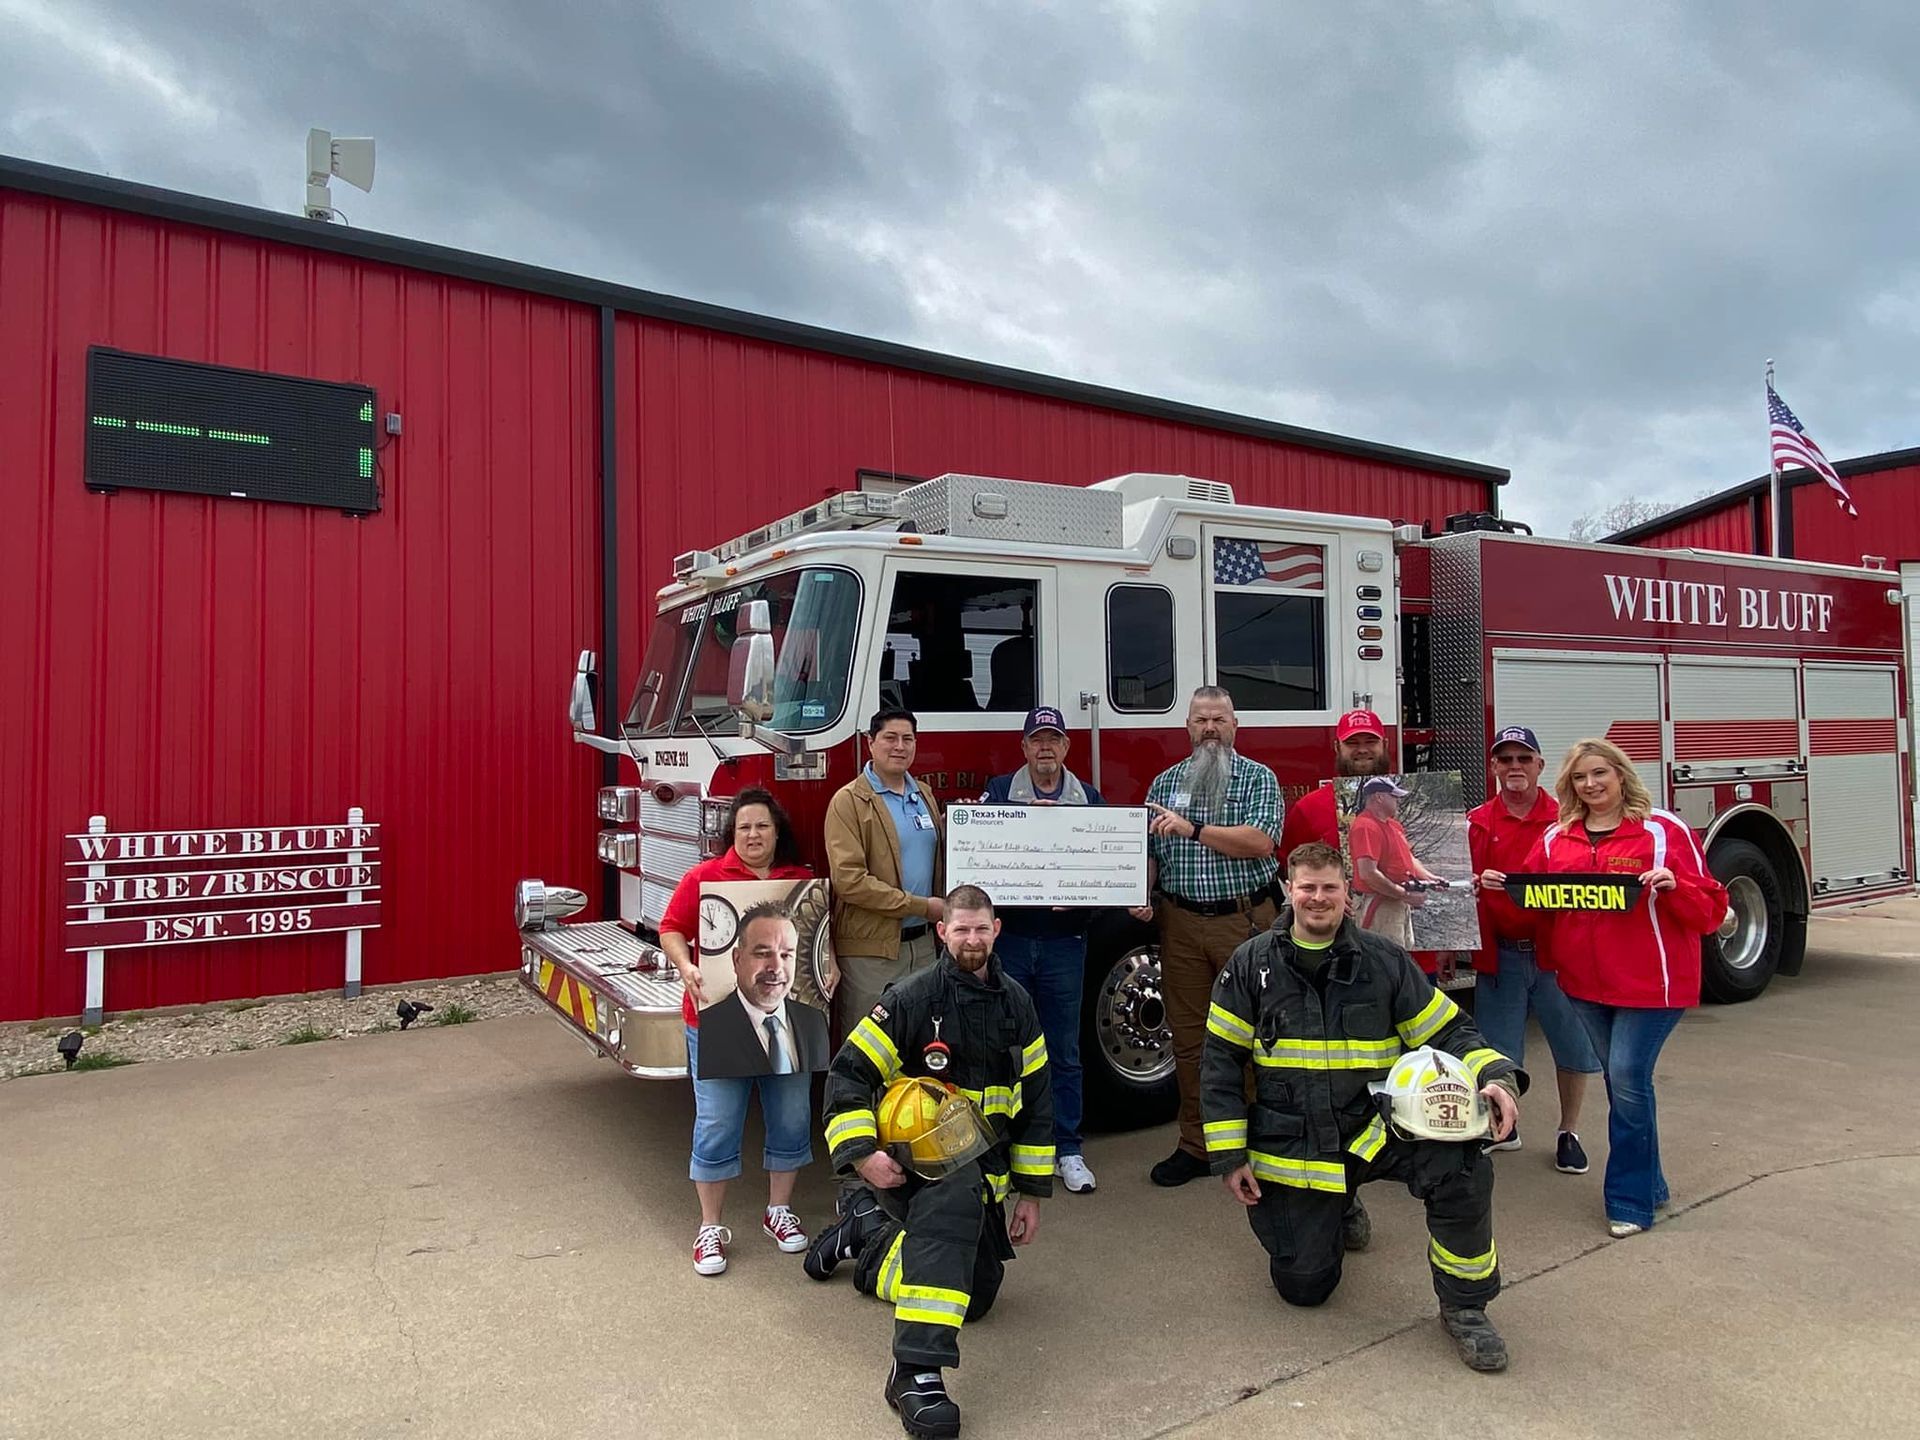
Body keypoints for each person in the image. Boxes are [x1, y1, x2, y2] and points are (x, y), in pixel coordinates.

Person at [1201, 842, 1525, 1373]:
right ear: (1289, 890)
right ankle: (1339, 1204)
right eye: (1307, 887)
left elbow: (1450, 1030)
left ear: (1347, 894)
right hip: (1296, 1143)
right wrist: (1230, 1155)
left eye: (1330, 887)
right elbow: (1219, 1064)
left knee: (1464, 1163)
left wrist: (1497, 1078)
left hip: (1376, 1130)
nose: (1318, 898)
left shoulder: (1384, 961)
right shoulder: (1250, 964)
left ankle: (1465, 1308)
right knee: (1304, 1288)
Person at [808, 884, 1053, 1438]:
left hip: (984, 1178)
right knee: (952, 1198)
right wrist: (862, 1155)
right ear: (942, 932)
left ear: (997, 930)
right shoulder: (912, 999)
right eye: (959, 928)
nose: (971, 938)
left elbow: (1038, 1099)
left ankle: (866, 1236)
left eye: (980, 928)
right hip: (918, 1174)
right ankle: (915, 1371)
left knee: (977, 1296)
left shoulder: (1017, 1004)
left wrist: (1033, 1192)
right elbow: (848, 1074)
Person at [1519, 738, 1727, 1238]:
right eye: (1579, 778)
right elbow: (1530, 898)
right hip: (1584, 986)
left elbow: (1711, 909)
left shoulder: (1663, 831)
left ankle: (1629, 1202)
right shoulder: (1555, 839)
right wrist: (1496, 883)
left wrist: (1676, 887)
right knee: (1624, 1086)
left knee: (1628, 1077)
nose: (1590, 786)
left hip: (1651, 986)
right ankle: (1651, 1185)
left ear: (1621, 774)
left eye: (1599, 775)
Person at [658, 788, 816, 1276]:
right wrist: (685, 966)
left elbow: (818, 941)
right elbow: (671, 928)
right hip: (716, 1022)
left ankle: (779, 1212)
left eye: (762, 826)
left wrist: (824, 972)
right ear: (733, 832)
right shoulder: (704, 877)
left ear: (777, 831)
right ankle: (710, 1226)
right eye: (745, 826)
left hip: (791, 1020)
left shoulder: (803, 881)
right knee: (718, 1122)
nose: (753, 835)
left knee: (791, 1115)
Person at [1137, 686, 1283, 1188]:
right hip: (1179, 925)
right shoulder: (1165, 781)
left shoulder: (1259, 779)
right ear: (1188, 728)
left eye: (1219, 720)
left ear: (1235, 725)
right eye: (1201, 721)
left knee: (1253, 1034)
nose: (1210, 729)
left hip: (1243, 925)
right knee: (1189, 1038)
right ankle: (1197, 1144)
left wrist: (1194, 829)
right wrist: (1143, 887)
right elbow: (1151, 850)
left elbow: (1261, 841)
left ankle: (1260, 1138)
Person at [977, 705, 1105, 1194]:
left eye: (1054, 739)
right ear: (1024, 748)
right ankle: (1010, 1146)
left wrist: (1081, 903)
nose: (1046, 747)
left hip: (1063, 944)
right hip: (1009, 940)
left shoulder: (1089, 799)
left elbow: (1102, 871)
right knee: (1007, 1047)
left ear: (1067, 748)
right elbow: (979, 854)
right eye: (1037, 740)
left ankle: (1068, 1148)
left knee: (1064, 1050)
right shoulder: (997, 793)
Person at [1467, 725, 1600, 1173]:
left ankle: (1569, 1131)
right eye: (1505, 759)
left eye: (1524, 758)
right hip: (1500, 955)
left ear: (1540, 766)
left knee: (1572, 1047)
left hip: (1555, 957)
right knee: (1498, 1050)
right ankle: (1506, 1125)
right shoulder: (1476, 822)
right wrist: (1470, 887)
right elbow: (1454, 886)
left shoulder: (1568, 821)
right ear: (1493, 768)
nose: (1514, 767)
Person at [825, 707, 946, 1046]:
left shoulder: (923, 794)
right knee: (868, 1052)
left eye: (908, 739)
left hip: (922, 948)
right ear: (870, 744)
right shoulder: (848, 802)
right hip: (870, 953)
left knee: (919, 1047)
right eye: (890, 738)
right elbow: (849, 881)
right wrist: (922, 906)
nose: (900, 746)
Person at [693, 903, 833, 1080]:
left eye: (785, 955)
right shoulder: (708, 1028)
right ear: (737, 959)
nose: (776, 968)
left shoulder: (815, 1021)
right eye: (763, 954)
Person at [1276, 708, 1391, 871]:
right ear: (1337, 747)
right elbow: (1286, 865)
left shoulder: (1408, 801)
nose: (1362, 749)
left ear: (1385, 744)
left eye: (1370, 741)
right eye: (1352, 743)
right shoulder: (1309, 808)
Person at [1348, 776, 1444, 948]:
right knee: (1383, 960)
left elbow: (1409, 858)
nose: (1398, 801)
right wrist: (1405, 894)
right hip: (1378, 906)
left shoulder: (1393, 826)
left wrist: (1429, 878)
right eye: (1394, 796)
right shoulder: (1365, 826)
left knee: (1401, 954)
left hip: (1395, 901)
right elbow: (1368, 873)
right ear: (1379, 797)